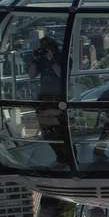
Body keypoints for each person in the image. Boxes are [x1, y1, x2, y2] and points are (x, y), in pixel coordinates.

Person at [28, 36, 71, 166]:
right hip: (45, 97)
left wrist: (52, 60)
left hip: (58, 97)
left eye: (46, 47)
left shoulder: (63, 58)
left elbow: (62, 75)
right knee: (46, 129)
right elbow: (31, 75)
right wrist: (35, 60)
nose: (44, 50)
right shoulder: (41, 59)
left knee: (60, 128)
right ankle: (60, 155)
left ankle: (68, 155)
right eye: (42, 47)